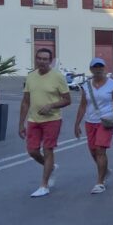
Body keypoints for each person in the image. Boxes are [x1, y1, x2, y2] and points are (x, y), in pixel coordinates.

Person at [19, 48, 71, 198]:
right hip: (33, 120)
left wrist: (51, 105)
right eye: (39, 59)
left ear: (50, 61)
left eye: (45, 59)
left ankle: (44, 185)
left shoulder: (58, 77)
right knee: (32, 151)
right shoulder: (30, 77)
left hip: (52, 119)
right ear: (36, 59)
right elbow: (25, 102)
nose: (42, 61)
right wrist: (21, 124)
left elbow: (67, 100)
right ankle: (51, 168)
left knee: (48, 150)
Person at [74, 58, 113, 194]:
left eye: (100, 67)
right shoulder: (86, 86)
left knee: (100, 150)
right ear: (91, 69)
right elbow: (82, 106)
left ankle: (100, 182)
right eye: (95, 67)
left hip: (106, 121)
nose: (98, 70)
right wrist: (77, 124)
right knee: (93, 151)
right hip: (90, 121)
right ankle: (105, 170)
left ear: (104, 68)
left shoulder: (112, 85)